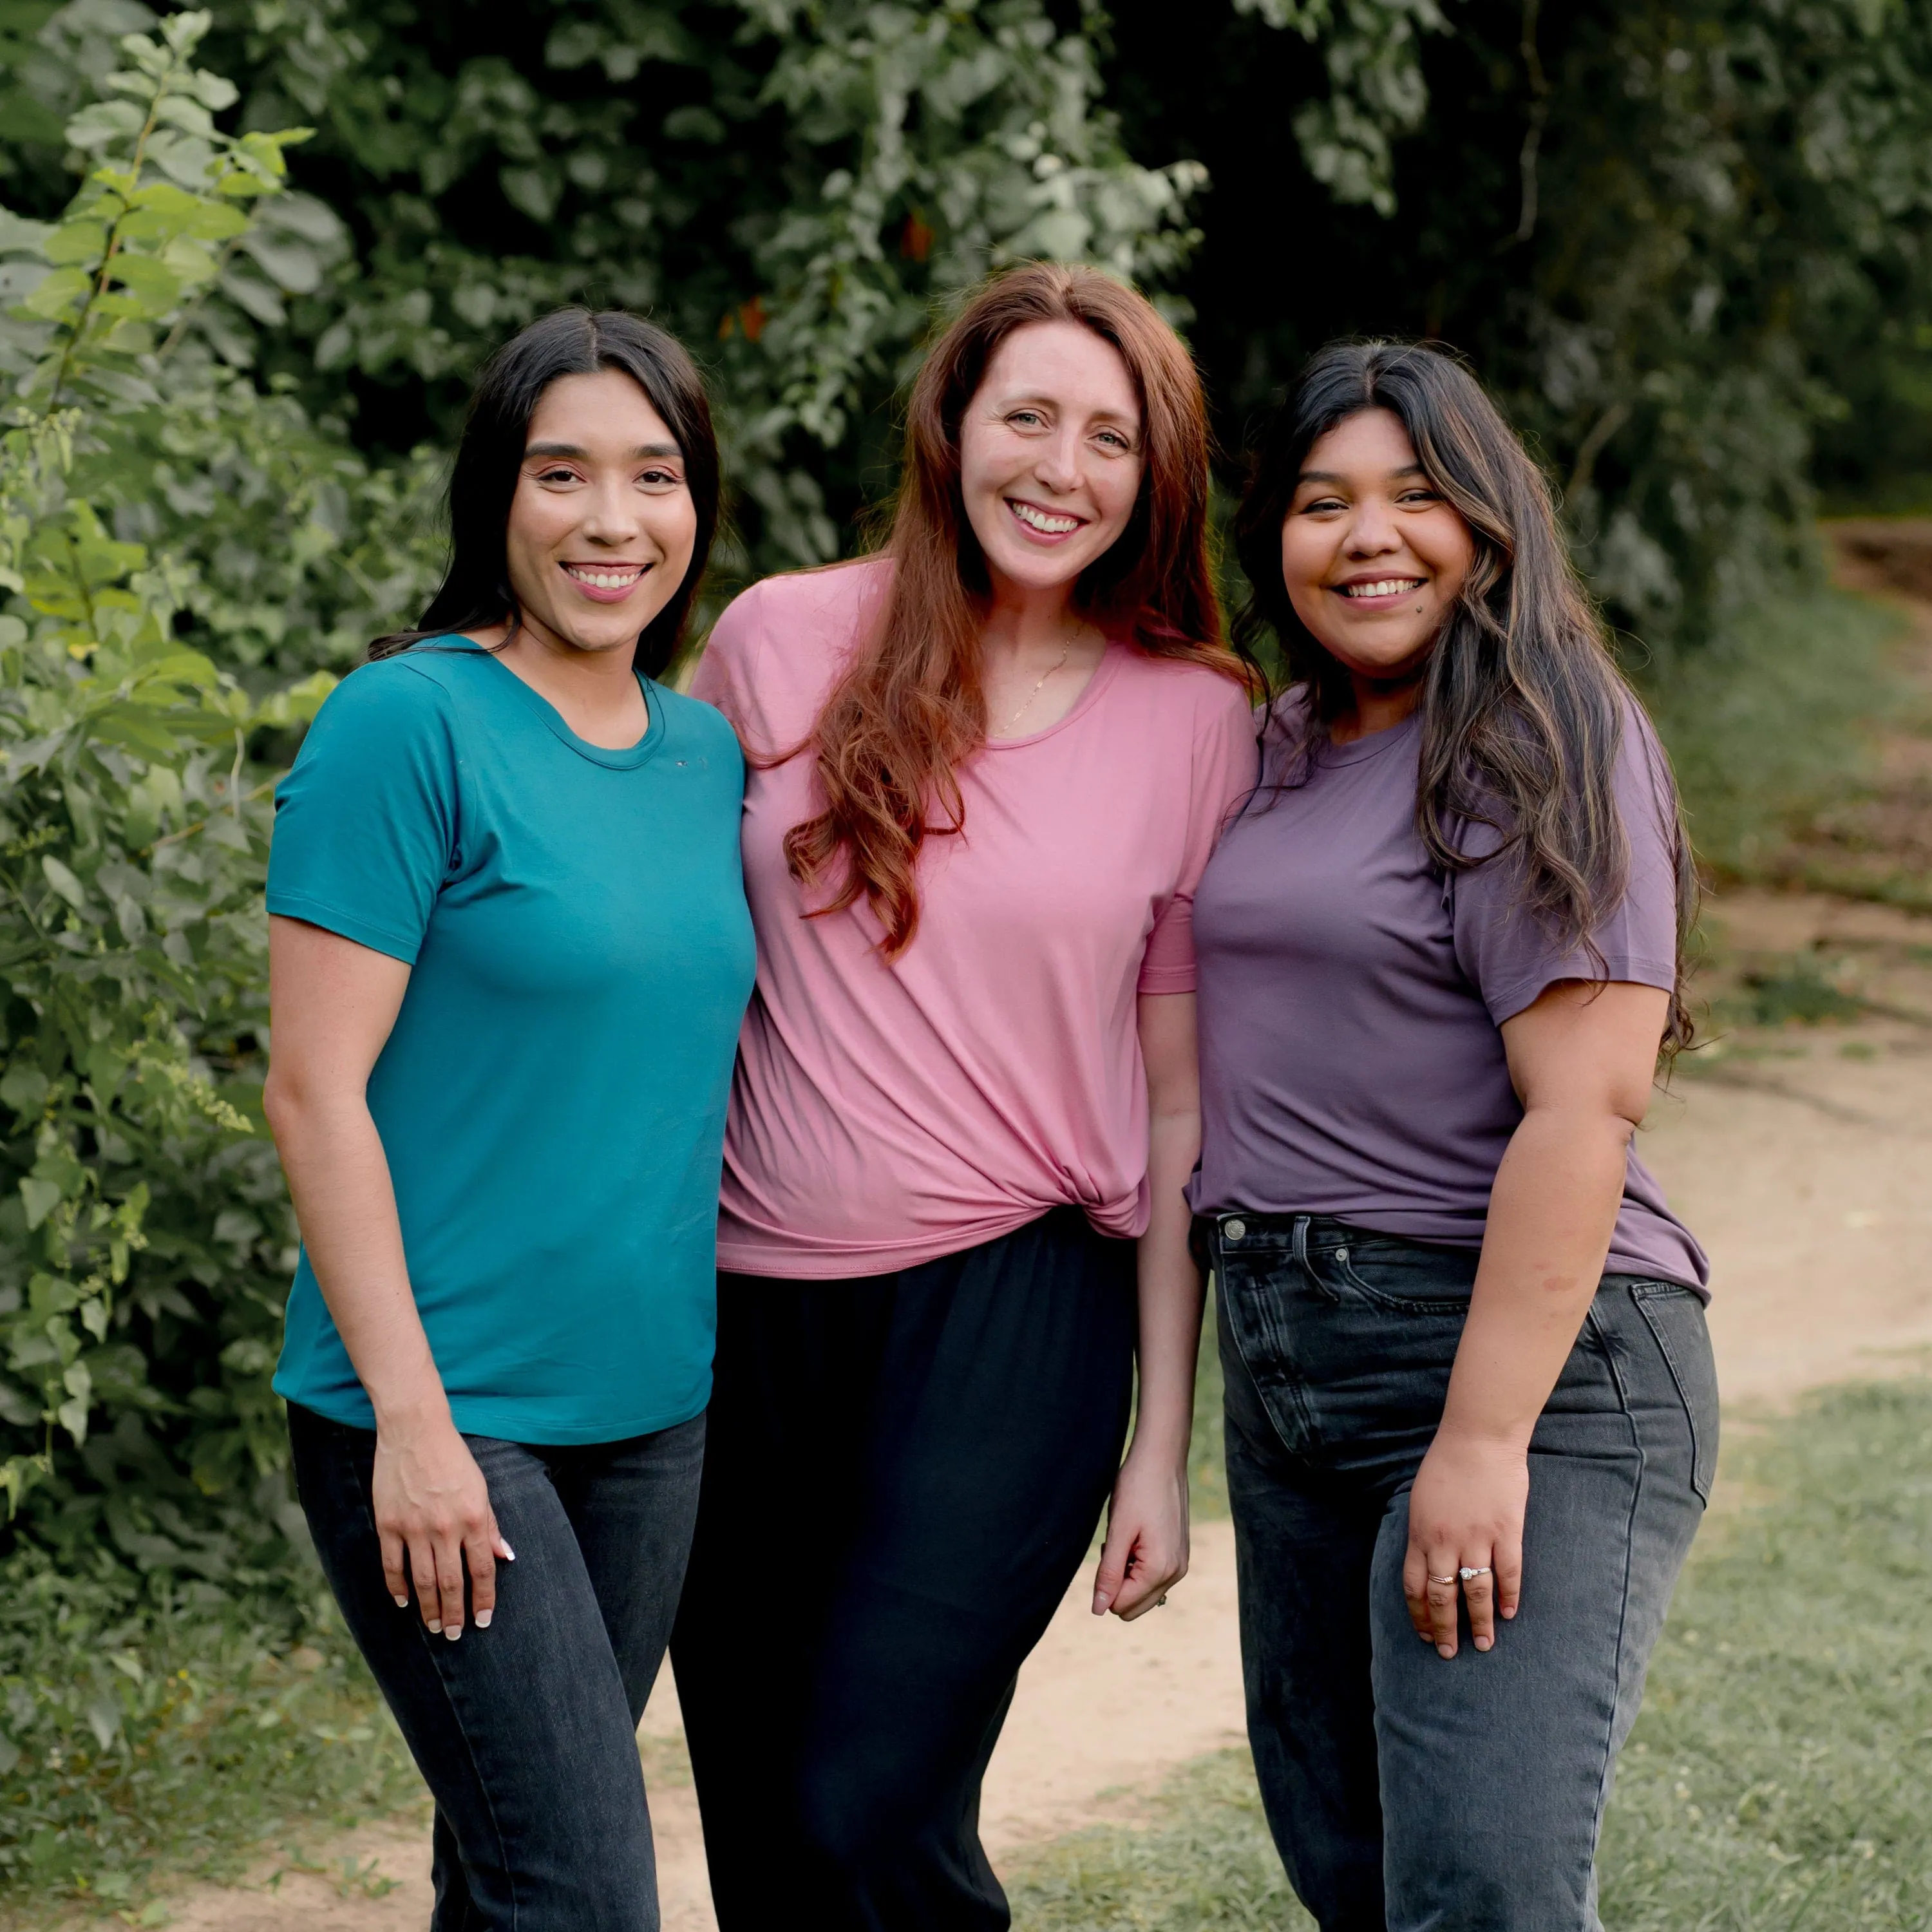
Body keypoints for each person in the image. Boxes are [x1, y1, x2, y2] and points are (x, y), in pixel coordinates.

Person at [672, 261, 1258, 1929]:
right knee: (769, 1835)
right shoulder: (781, 638)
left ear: (1157, 480)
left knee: (871, 1807)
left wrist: (1162, 1447)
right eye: (1028, 418)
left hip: (1016, 1314)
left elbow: (1173, 1114)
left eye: (1109, 438)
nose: (1060, 469)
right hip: (734, 1323)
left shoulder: (1199, 722)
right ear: (951, 426)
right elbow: (651, 944)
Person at [1190, 340, 1718, 1932]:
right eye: (1322, 500)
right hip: (1286, 1362)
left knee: (1478, 1892)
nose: (1368, 536)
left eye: (1418, 497)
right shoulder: (1279, 744)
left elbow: (1584, 1105)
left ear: (1493, 523)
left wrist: (1483, 1443)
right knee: (1350, 1873)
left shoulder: (1538, 730)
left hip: (1524, 1367)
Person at [261, 308, 753, 1932]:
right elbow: (312, 1089)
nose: (614, 522)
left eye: (654, 476)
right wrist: (413, 1423)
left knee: (510, 1877)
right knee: (588, 1894)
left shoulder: (703, 755)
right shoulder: (405, 724)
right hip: (445, 1413)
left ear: (697, 504)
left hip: (651, 1420)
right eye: (564, 474)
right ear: (499, 496)